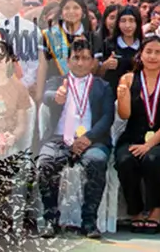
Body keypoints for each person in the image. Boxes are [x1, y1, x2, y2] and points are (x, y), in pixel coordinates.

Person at [37, 36, 114, 239]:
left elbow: (107, 117)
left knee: (96, 161)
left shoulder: (102, 86)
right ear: (68, 61)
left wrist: (88, 137)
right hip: (59, 138)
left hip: (92, 140)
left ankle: (89, 221)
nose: (80, 62)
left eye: (85, 58)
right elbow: (46, 95)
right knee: (46, 162)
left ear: (92, 62)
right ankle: (51, 220)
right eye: (76, 58)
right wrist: (56, 96)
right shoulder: (57, 82)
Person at [115, 35, 160, 233]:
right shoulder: (127, 79)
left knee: (153, 159)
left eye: (158, 52)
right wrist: (122, 97)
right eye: (148, 51)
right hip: (132, 136)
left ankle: (155, 210)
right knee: (125, 160)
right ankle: (134, 210)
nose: (152, 56)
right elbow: (124, 115)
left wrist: (148, 145)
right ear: (140, 55)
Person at [37, 0, 98, 102]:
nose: (71, 12)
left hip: (85, 93)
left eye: (76, 8)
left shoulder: (93, 37)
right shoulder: (49, 35)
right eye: (67, 8)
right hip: (55, 90)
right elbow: (42, 67)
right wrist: (39, 96)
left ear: (83, 12)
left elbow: (95, 68)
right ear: (61, 12)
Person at [99, 5, 142, 90]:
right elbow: (97, 74)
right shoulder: (108, 44)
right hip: (113, 91)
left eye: (131, 20)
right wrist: (105, 65)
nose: (127, 25)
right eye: (123, 21)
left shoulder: (143, 46)